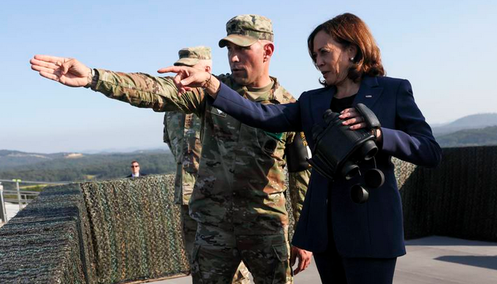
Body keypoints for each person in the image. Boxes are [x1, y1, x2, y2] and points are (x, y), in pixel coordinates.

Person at [161, 13, 442, 284]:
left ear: (352, 51)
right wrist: (211, 84)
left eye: (324, 53)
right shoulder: (313, 101)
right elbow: (260, 115)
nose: (318, 62)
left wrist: (380, 134)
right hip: (325, 235)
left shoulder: (392, 91)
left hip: (371, 229)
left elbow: (429, 151)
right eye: (314, 56)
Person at [30, 14, 312, 284]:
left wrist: (305, 235)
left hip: (266, 229)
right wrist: (93, 77)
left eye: (243, 49)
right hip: (214, 229)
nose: (234, 58)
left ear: (267, 51)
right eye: (230, 50)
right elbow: (154, 90)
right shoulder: (213, 91)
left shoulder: (288, 108)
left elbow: (301, 175)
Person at [163, 46, 250, 283]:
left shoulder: (225, 103)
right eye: (180, 70)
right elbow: (176, 151)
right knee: (199, 266)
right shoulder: (173, 109)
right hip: (188, 200)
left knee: (234, 271)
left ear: (207, 70)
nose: (183, 75)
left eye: (189, 69)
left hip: (223, 202)